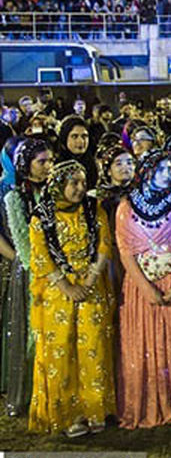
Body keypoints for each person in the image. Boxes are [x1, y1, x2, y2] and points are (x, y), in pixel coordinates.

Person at [27, 161, 116, 436]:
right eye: (73, 183)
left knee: (94, 344)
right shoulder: (41, 216)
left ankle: (95, 409)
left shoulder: (93, 208)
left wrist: (89, 279)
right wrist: (67, 287)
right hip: (58, 292)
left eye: (82, 181)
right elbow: (41, 255)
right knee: (62, 350)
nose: (80, 188)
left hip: (91, 285)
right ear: (58, 186)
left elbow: (104, 243)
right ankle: (71, 415)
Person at [115, 150, 171, 428]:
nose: (166, 175)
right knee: (144, 345)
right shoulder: (126, 207)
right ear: (146, 171)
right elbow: (125, 253)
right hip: (141, 287)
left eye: (170, 170)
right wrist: (145, 289)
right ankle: (146, 403)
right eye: (160, 170)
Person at [4, 137, 53, 417]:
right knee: (33, 333)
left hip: (56, 271)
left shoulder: (54, 192)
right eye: (41, 162)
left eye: (49, 160)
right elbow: (23, 243)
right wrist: (46, 271)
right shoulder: (15, 197)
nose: (47, 167)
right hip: (32, 272)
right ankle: (35, 392)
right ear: (26, 165)